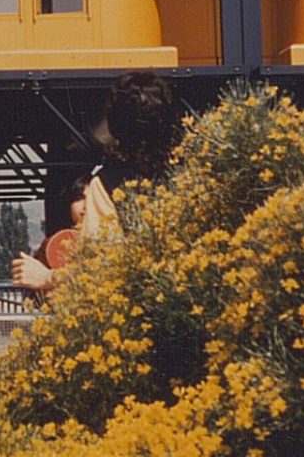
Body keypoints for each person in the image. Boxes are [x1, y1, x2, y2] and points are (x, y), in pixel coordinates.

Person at [12, 70, 181, 293]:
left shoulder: (107, 185)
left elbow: (101, 269)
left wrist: (46, 277)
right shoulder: (195, 174)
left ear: (115, 126)